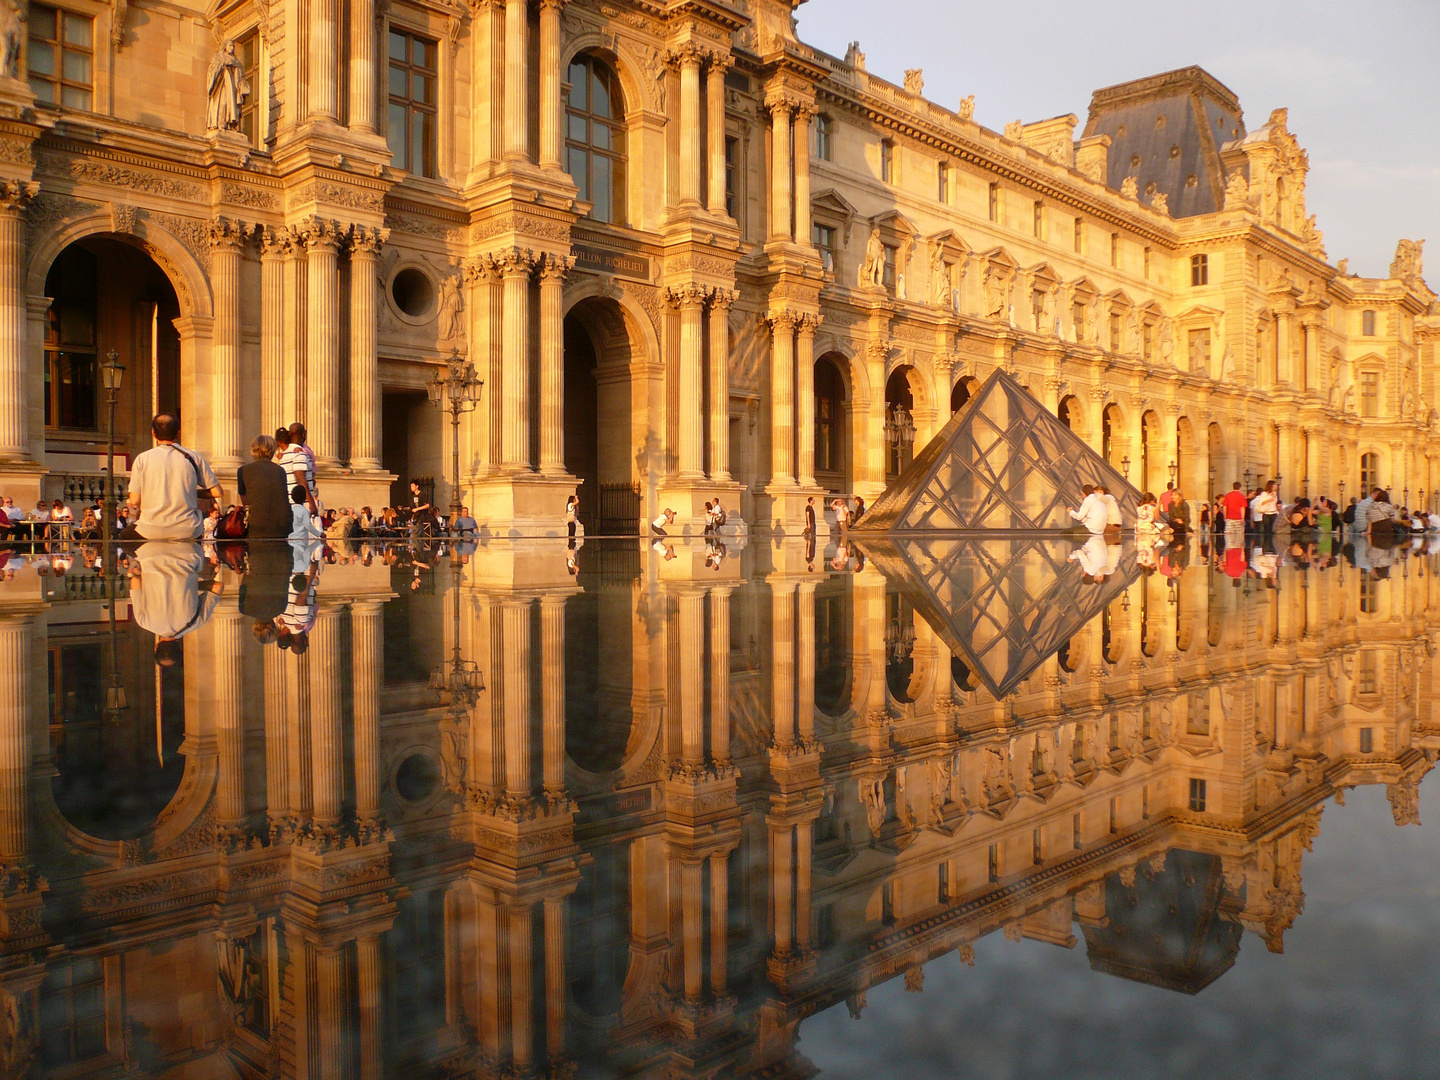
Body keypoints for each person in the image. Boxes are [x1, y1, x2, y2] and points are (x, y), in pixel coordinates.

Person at [125, 414, 223, 541]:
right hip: (188, 529)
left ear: (153, 433)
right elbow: (217, 492)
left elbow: (135, 500)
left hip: (151, 529)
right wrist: (191, 492)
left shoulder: (142, 459)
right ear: (178, 433)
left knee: (122, 538)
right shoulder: (194, 457)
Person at [128, 541, 224, 664]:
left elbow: (218, 586)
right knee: (126, 536)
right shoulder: (144, 622)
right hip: (150, 552)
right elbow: (135, 581)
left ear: (180, 647)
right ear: (156, 646)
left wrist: (192, 586)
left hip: (188, 552)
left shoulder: (197, 622)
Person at [280, 423, 318, 515]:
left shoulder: (284, 455)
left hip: (289, 503)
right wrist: (311, 503)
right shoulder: (299, 454)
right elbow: (301, 480)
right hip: (301, 505)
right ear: (304, 434)